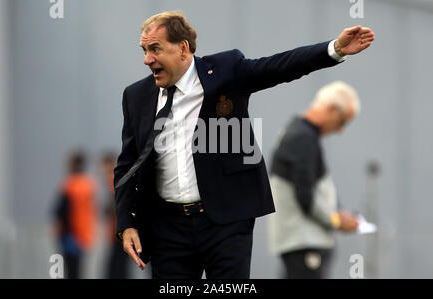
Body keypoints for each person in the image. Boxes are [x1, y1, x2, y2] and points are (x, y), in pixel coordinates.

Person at [114, 11, 375, 279]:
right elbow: (126, 166)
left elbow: (280, 66)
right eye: (144, 50)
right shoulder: (136, 96)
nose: (147, 59)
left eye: (155, 49)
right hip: (167, 228)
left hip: (225, 222)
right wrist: (127, 223)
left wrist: (334, 49)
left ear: (182, 48)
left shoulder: (226, 71)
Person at [268, 81, 361, 279]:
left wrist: (337, 212)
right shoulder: (302, 137)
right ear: (332, 109)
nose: (341, 130)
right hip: (303, 243)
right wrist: (336, 220)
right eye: (343, 121)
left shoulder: (298, 132)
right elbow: (305, 196)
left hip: (299, 242)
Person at [53, 151, 97, 279]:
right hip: (84, 235)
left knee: (69, 271)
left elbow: (60, 211)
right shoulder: (89, 185)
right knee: (78, 271)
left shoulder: (70, 185)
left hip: (70, 235)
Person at [99, 152, 133, 279]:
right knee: (119, 268)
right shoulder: (116, 179)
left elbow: (117, 205)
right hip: (120, 232)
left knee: (116, 269)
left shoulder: (113, 180)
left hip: (120, 232)